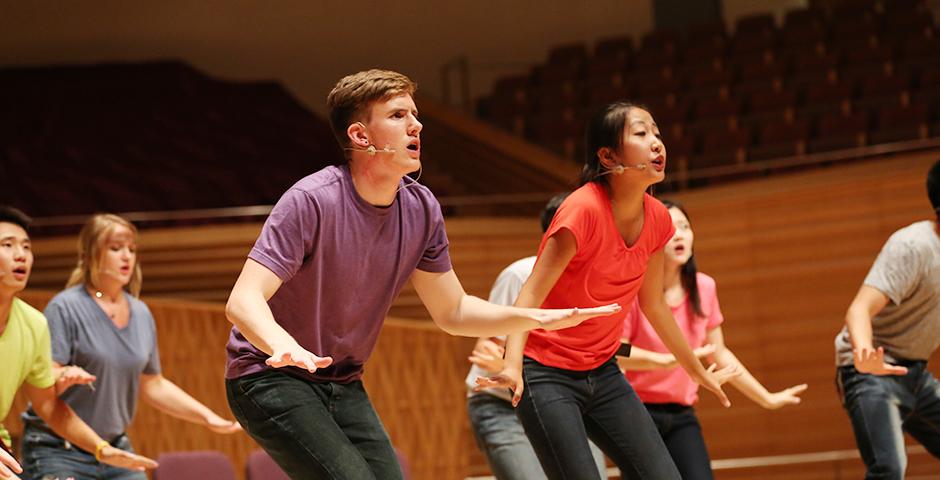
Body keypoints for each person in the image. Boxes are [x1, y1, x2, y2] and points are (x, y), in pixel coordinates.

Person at [223, 69, 619, 480]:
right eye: (397, 115)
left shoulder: (421, 208)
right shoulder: (312, 200)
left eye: (414, 113)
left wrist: (536, 317)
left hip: (342, 380)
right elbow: (243, 300)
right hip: (267, 376)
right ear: (361, 137)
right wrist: (283, 344)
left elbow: (454, 311)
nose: (417, 124)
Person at [478, 102, 739, 480]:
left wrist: (695, 370)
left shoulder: (659, 218)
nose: (657, 143)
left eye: (657, 133)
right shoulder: (581, 210)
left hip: (604, 372)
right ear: (608, 156)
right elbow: (529, 297)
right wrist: (512, 364)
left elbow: (653, 306)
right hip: (546, 374)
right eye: (641, 133)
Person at [20, 213, 240, 480]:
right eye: (115, 248)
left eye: (131, 249)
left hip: (114, 446)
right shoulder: (65, 307)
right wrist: (63, 377)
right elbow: (43, 383)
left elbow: (152, 384)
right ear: (90, 255)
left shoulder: (141, 312)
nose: (126, 256)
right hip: (57, 448)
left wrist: (207, 418)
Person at [620, 199, 807, 479]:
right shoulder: (636, 291)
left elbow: (718, 353)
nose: (680, 234)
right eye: (670, 229)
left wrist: (766, 398)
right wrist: (667, 362)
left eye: (685, 226)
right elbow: (617, 351)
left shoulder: (704, 287)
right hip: (638, 414)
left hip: (682, 414)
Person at [0, 206, 156, 480]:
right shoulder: (66, 307)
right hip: (53, 450)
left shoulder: (33, 324)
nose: (20, 254)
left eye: (26, 246)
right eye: (7, 245)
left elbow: (48, 405)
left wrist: (100, 448)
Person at [466, 193, 609, 480]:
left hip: (567, 404)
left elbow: (615, 349)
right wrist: (517, 366)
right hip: (504, 407)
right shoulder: (520, 274)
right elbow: (486, 350)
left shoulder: (599, 279)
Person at [835, 159, 940, 479]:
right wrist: (864, 355)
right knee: (889, 469)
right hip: (869, 371)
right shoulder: (913, 246)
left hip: (915, 372)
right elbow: (859, 309)